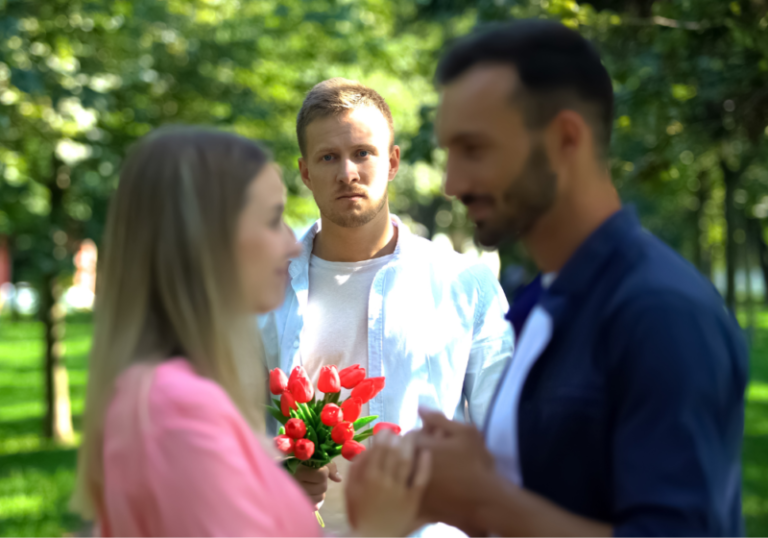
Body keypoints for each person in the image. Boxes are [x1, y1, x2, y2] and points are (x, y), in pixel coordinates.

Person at [414, 20, 748, 536]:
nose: (452, 183)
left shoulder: (660, 313)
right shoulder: (541, 302)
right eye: (448, 153)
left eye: (474, 149)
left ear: (566, 138)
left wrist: (484, 501)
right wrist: (477, 475)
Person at [70, 127, 430, 537]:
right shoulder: (180, 409)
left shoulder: (163, 392)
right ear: (208, 237)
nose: (292, 246)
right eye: (273, 219)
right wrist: (383, 525)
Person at [258, 78, 513, 534]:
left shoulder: (464, 286)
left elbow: (509, 436)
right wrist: (281, 474)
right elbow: (233, 432)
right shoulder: (259, 293)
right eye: (328, 157)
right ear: (305, 172)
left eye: (363, 153)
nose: (347, 173)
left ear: (392, 161)